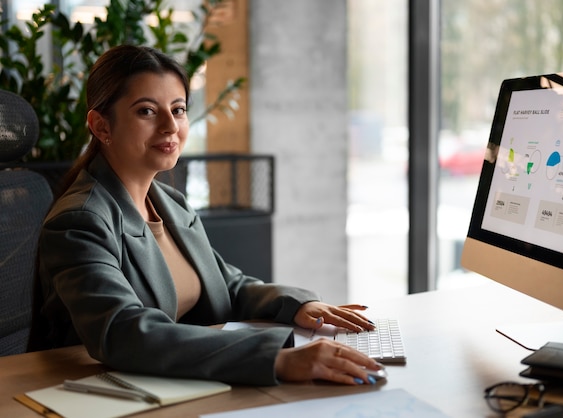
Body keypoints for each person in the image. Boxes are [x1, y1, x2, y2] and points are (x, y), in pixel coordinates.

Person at [29, 45, 382, 386]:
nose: (170, 126)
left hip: (175, 381)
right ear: (101, 126)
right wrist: (276, 358)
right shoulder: (79, 221)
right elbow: (122, 332)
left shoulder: (170, 203)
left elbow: (227, 285)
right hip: (100, 392)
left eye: (178, 109)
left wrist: (301, 305)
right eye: (147, 111)